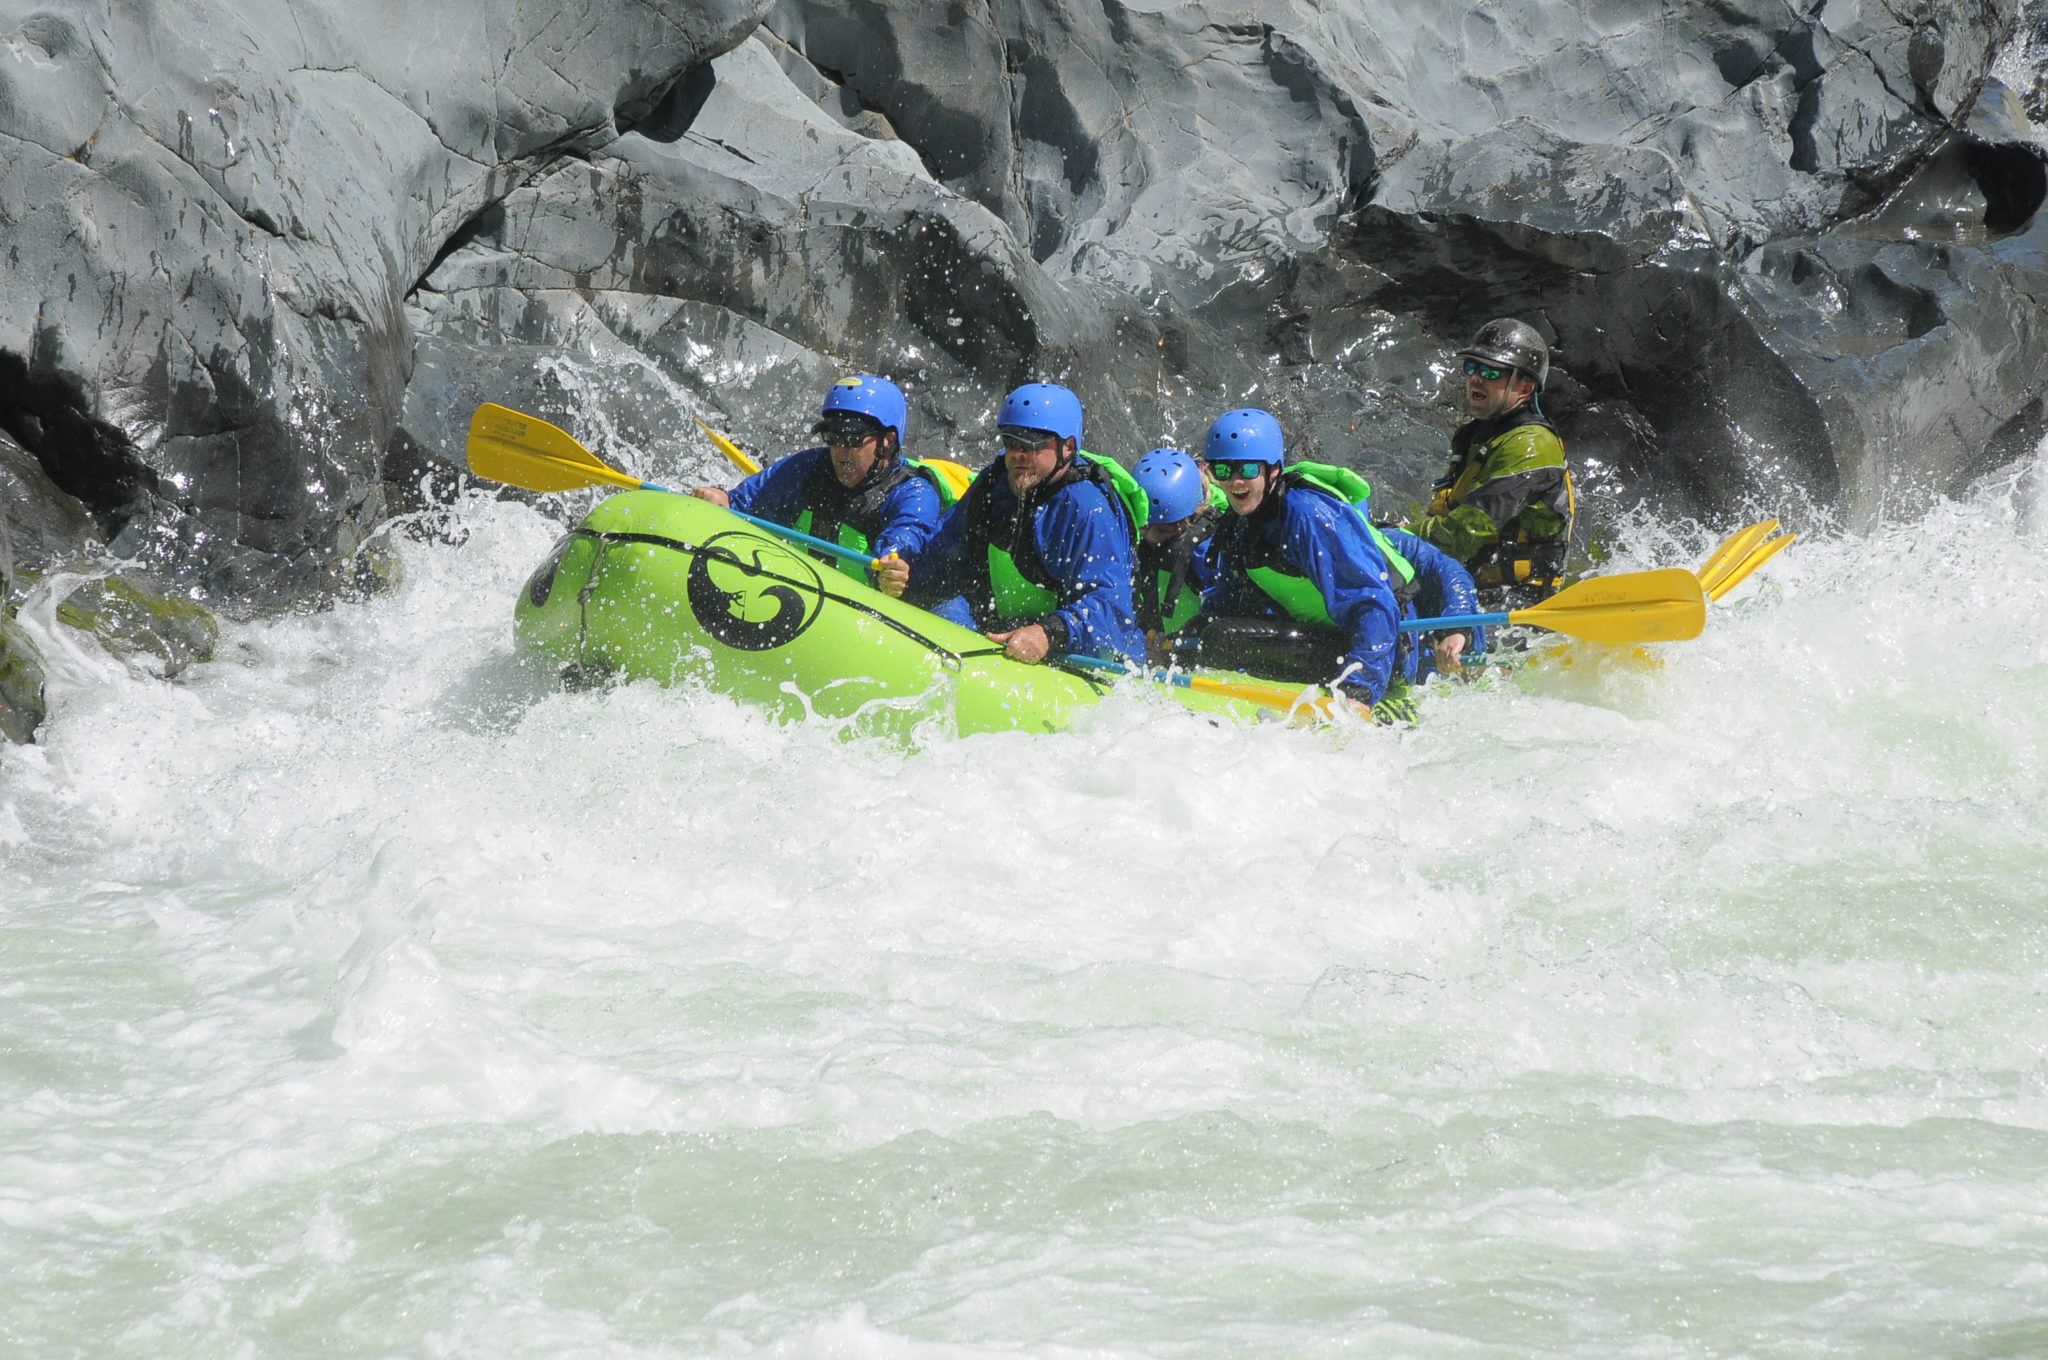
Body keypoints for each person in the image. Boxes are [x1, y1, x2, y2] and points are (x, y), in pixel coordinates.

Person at [886, 382, 1142, 663]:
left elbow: (1112, 607)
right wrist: (907, 573)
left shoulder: (1087, 508)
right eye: (1010, 442)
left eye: (1031, 444)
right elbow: (943, 550)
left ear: (1067, 447)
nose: (1018, 454)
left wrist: (1048, 633)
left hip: (1079, 650)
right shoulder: (994, 484)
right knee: (947, 612)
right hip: (1006, 629)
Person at [1191, 408, 1414, 719]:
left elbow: (1371, 602)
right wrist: (1177, 645)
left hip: (1382, 654)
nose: (1236, 482)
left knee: (1224, 638)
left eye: (1247, 469)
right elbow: (1228, 602)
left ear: (1273, 470)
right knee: (1217, 634)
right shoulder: (1240, 525)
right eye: (1223, 471)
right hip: (1323, 642)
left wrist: (1358, 691)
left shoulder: (1309, 516)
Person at [691, 375, 942, 598]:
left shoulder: (914, 494)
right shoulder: (807, 469)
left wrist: (893, 569)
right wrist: (720, 500)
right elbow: (743, 505)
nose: (841, 452)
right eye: (832, 438)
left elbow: (906, 539)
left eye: (853, 439)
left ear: (887, 441)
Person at [1406, 319, 1576, 608]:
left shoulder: (1531, 445)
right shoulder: (1473, 436)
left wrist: (1395, 539)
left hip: (1513, 606)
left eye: (1490, 371)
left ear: (1524, 388)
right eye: (1471, 368)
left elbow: (1465, 533)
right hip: (1462, 587)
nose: (1476, 378)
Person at [1129, 448, 1224, 646]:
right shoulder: (1134, 529)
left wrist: (1176, 646)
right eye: (1145, 527)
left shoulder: (1205, 552)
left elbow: (1225, 615)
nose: (1152, 537)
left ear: (1190, 517)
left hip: (1190, 646)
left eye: (1163, 530)